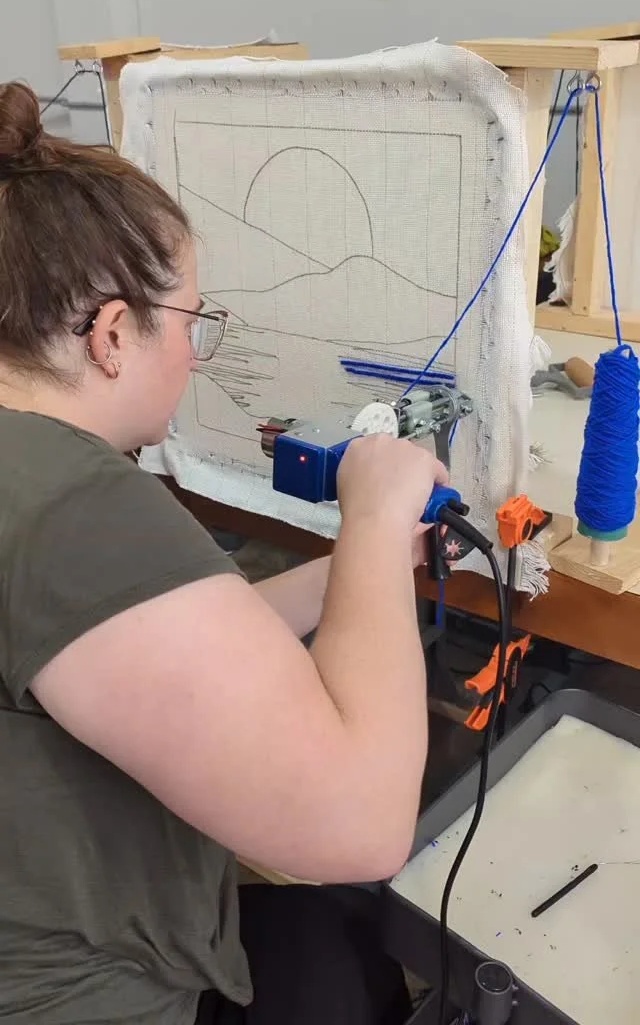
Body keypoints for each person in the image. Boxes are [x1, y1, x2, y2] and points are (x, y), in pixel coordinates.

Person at [0, 81, 446, 1025]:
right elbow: (363, 826)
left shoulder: (27, 477)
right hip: (84, 997)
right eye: (192, 321)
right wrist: (371, 520)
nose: (196, 353)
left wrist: (359, 571)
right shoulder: (77, 504)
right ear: (112, 336)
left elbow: (154, 637)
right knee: (342, 940)